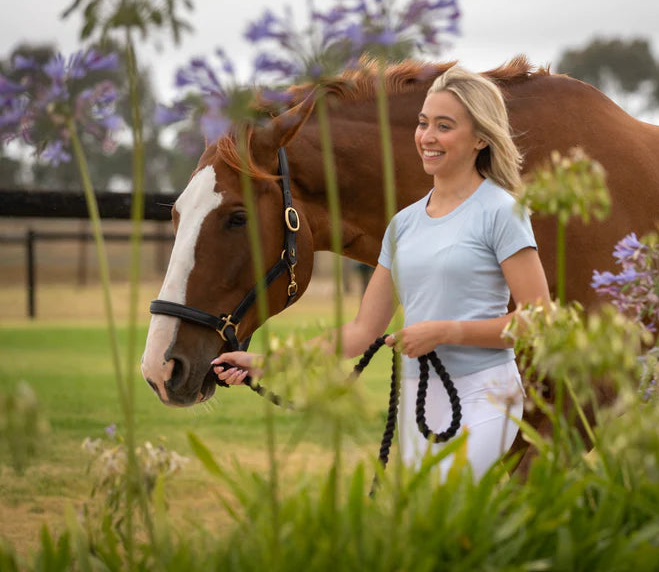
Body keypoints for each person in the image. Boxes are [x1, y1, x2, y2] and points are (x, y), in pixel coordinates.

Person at [212, 66, 550, 480]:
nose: (427, 137)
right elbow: (361, 331)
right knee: (425, 526)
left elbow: (538, 321)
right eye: (423, 123)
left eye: (444, 126)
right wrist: (267, 362)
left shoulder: (502, 212)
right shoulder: (404, 224)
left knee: (448, 500)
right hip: (418, 399)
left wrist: (445, 332)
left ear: (481, 138)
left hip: (486, 393)